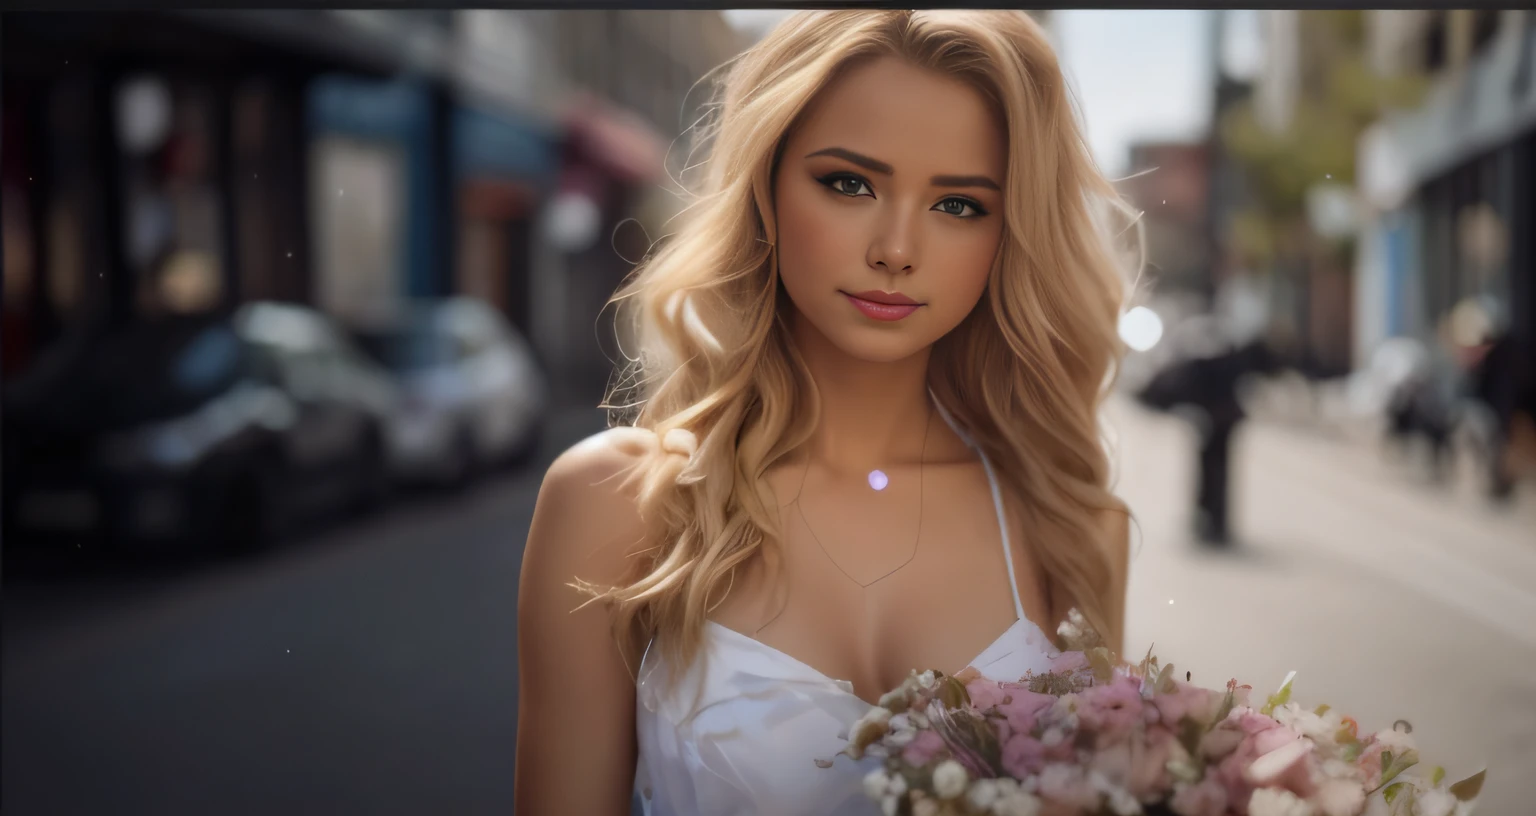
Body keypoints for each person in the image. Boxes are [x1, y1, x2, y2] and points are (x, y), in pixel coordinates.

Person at [515, 11, 1135, 815]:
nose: (897, 247)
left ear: (1008, 233)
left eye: (960, 205)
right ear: (767, 188)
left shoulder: (1071, 527)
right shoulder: (615, 503)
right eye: (849, 183)